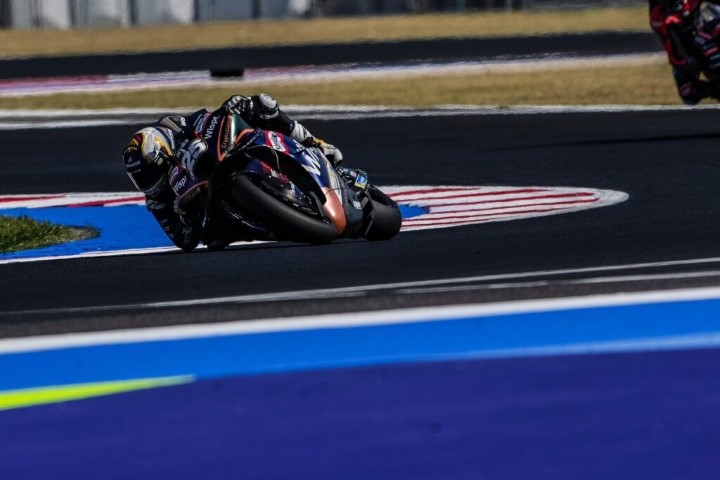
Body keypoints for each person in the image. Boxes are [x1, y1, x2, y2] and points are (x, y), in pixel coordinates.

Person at [122, 94, 343, 252]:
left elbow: (207, 119)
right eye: (140, 179)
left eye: (151, 172)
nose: (149, 182)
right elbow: (183, 241)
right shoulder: (157, 200)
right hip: (216, 217)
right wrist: (185, 216)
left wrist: (234, 106)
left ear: (165, 152)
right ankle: (271, 220)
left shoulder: (178, 127)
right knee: (215, 243)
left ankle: (314, 143)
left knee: (261, 103)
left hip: (220, 157)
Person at [650, 0, 720, 104]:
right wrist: (685, 60)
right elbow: (671, 42)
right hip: (686, 49)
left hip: (705, 32)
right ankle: (714, 89)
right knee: (688, 94)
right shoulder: (658, 16)